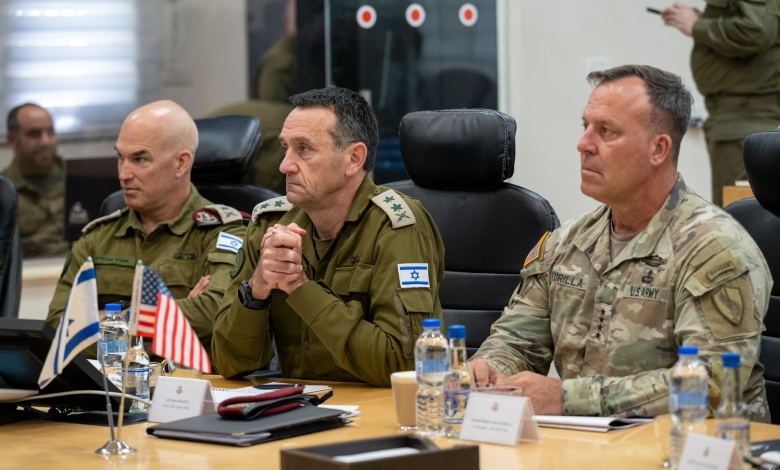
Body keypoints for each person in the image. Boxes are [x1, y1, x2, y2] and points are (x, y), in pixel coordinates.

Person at [468, 65, 772, 422]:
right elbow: (518, 339)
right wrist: (488, 368)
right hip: (590, 445)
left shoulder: (713, 248)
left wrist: (565, 398)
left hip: (699, 450)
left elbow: (709, 386)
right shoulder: (568, 240)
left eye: (606, 131)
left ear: (658, 149)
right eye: (585, 127)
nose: (583, 145)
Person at [212, 87, 445, 387]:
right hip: (294, 412)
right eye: (285, 148)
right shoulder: (269, 224)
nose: (285, 165)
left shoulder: (396, 226)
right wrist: (257, 289)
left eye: (304, 149)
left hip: (376, 417)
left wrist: (299, 287)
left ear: (353, 159)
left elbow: (405, 366)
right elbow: (227, 362)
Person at [46, 100, 245, 356]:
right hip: (106, 390)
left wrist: (103, 319)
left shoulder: (223, 232)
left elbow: (214, 314)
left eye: (139, 159)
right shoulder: (98, 237)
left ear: (181, 164)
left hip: (185, 389)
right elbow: (57, 327)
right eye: (121, 158)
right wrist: (157, 331)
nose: (123, 174)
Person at [661, 1, 780, 207]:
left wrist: (699, 26)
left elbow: (757, 30)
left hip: (746, 118)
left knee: (740, 220)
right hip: (739, 116)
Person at [2, 103, 68, 257]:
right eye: (34, 134)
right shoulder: (4, 191)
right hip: (30, 275)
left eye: (50, 132)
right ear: (12, 140)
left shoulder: (79, 177)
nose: (46, 141)